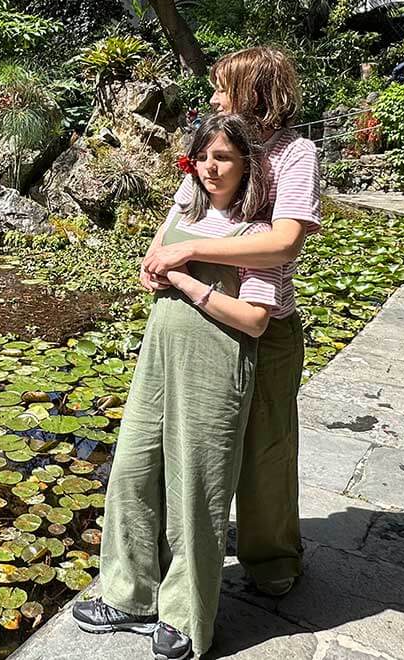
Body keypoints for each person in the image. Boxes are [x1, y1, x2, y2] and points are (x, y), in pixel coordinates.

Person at [73, 113, 284, 660]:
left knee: (197, 490)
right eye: (203, 158)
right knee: (134, 470)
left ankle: (188, 618)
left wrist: (186, 276)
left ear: (247, 166)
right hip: (160, 355)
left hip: (216, 365)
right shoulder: (186, 206)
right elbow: (156, 261)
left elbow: (256, 320)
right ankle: (129, 594)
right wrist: (153, 271)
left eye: (224, 159)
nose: (211, 169)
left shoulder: (256, 235)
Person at [141, 47, 321, 604]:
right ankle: (187, 548)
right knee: (192, 443)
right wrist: (158, 257)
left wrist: (192, 252)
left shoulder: (295, 154)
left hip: (263, 318)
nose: (214, 99)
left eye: (224, 88)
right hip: (197, 323)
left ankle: (272, 562)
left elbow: (286, 241)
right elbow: (178, 214)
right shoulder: (215, 140)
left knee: (266, 450)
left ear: (255, 92)